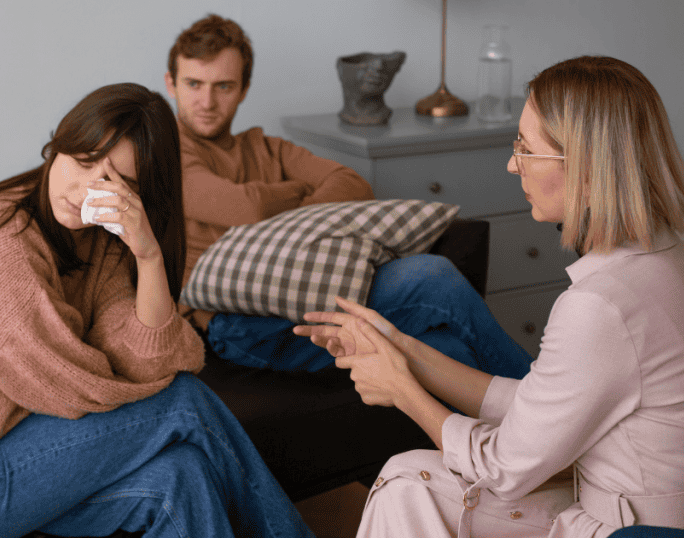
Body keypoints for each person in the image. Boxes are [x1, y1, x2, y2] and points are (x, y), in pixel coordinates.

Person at [295, 56, 684, 538]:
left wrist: (403, 392)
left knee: (404, 482)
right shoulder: (681, 260)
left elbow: (503, 469)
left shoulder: (601, 304)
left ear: (585, 166)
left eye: (525, 147)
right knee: (409, 480)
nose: (512, 163)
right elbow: (540, 403)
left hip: (642, 530)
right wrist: (402, 348)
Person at [0, 83, 315, 538]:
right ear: (58, 145)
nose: (86, 190)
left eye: (119, 182)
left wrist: (149, 256)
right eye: (82, 162)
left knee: (182, 474)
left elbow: (144, 361)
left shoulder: (101, 239)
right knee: (184, 405)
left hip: (8, 442)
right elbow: (65, 387)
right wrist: (145, 390)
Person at [165, 13, 534, 378]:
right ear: (171, 84)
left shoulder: (266, 147)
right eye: (194, 84)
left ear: (243, 89)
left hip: (311, 289)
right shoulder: (163, 152)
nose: (207, 101)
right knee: (431, 275)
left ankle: (532, 417)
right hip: (236, 322)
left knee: (448, 350)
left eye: (223, 86)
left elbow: (353, 182)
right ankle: (539, 400)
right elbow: (245, 206)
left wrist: (286, 213)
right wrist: (295, 192)